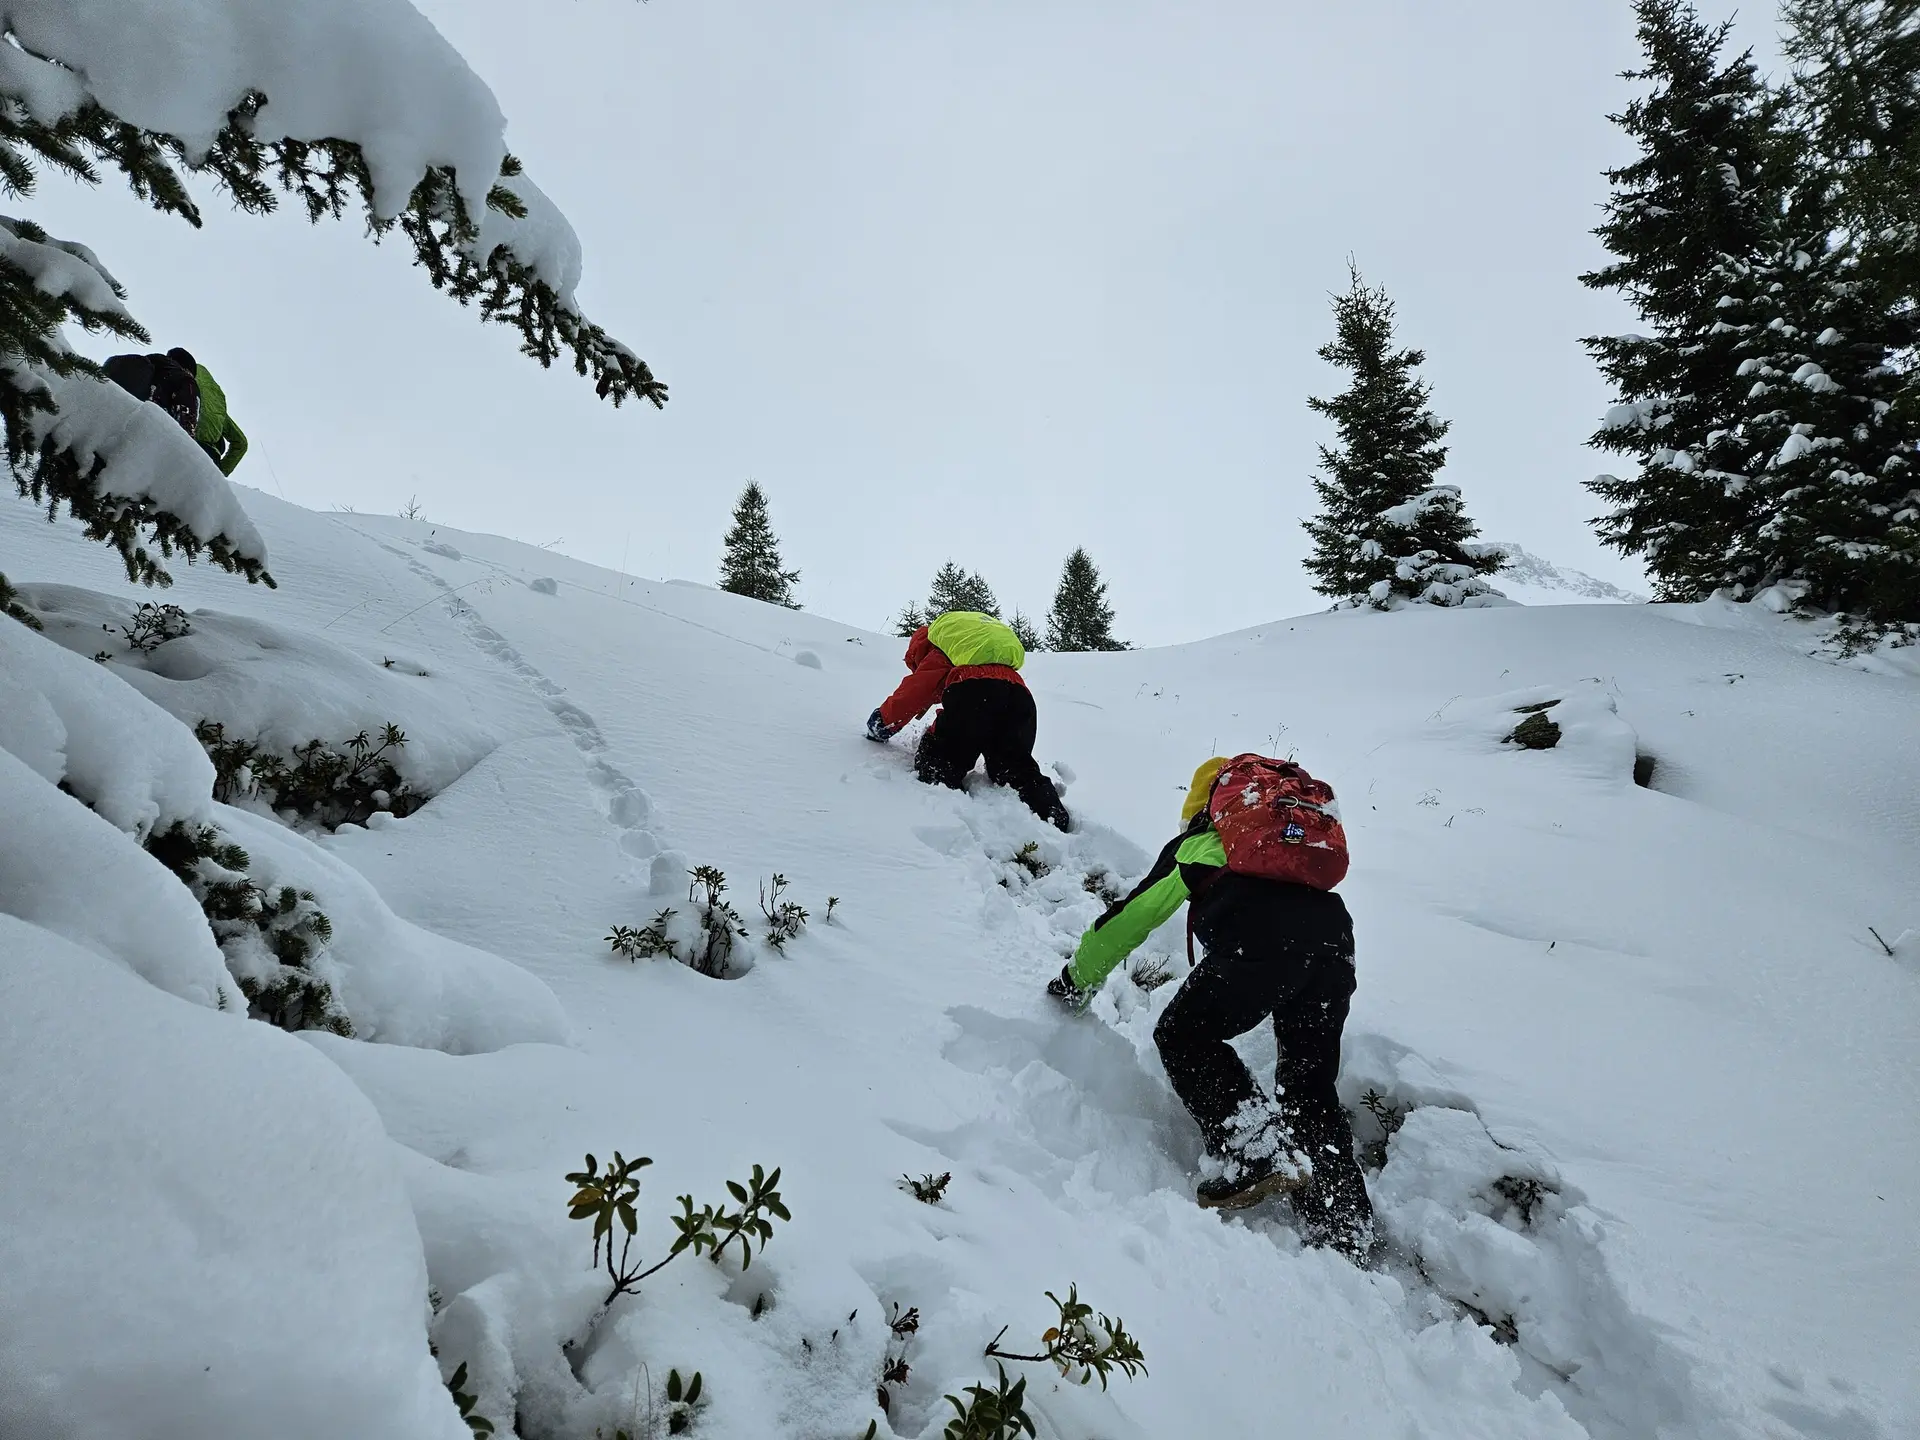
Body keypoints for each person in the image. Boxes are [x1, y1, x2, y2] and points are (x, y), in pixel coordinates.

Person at [1047, 755, 1374, 1257]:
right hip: (1335, 944)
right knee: (1309, 1085)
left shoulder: (1199, 845)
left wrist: (1075, 980)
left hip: (1264, 942)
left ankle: (1255, 1150)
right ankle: (1344, 1224)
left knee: (1184, 1034)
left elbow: (1130, 919)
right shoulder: (1288, 849)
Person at [865, 610, 1070, 830]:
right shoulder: (969, 644)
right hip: (1019, 697)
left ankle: (953, 821)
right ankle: (1051, 814)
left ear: (918, 651)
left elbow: (914, 691)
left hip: (974, 693)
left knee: (940, 761)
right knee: (1014, 766)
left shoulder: (937, 648)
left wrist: (882, 722)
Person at [165, 348, 249, 476]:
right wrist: (220, 474)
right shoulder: (219, 411)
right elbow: (241, 443)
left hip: (179, 443)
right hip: (210, 458)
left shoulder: (179, 379)